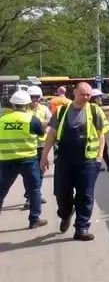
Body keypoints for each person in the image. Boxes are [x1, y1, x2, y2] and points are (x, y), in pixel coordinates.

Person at [40, 82, 106, 241]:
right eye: (83, 94)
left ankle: (82, 228)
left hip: (87, 161)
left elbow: (101, 135)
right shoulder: (62, 111)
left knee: (85, 195)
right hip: (64, 160)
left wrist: (99, 157)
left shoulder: (94, 111)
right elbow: (51, 135)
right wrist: (44, 157)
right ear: (75, 93)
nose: (86, 97)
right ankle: (65, 214)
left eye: (89, 95)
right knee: (61, 193)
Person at [0, 90, 48, 229]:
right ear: (27, 105)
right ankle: (34, 220)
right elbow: (42, 136)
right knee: (34, 190)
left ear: (13, 105)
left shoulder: (2, 120)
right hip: (28, 160)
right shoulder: (32, 120)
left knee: (2, 191)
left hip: (6, 160)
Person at [23, 85, 51, 209]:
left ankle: (35, 194)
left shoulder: (44, 109)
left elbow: (51, 121)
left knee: (40, 171)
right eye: (32, 97)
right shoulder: (24, 110)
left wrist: (40, 124)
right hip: (28, 145)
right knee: (28, 173)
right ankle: (30, 197)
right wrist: (40, 125)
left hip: (41, 145)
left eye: (37, 97)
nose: (35, 99)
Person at [91, 88, 109, 172]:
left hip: (99, 132)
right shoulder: (94, 108)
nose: (100, 99)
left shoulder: (95, 107)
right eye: (98, 97)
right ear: (94, 99)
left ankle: (101, 165)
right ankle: (107, 165)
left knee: (102, 149)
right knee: (102, 149)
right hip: (97, 133)